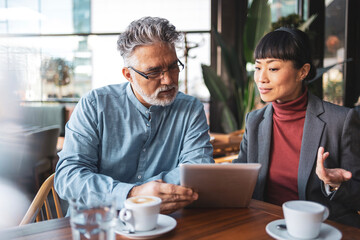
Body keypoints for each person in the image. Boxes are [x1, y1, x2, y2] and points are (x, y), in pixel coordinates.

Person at [55, 17, 213, 214]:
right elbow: (68, 178)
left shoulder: (190, 109)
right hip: (97, 224)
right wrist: (132, 195)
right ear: (128, 75)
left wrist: (149, 194)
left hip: (163, 223)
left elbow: (198, 169)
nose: (169, 79)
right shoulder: (94, 105)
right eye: (154, 72)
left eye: (173, 66)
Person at [233, 27, 360, 227]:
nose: (261, 78)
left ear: (303, 71)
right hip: (264, 225)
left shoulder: (341, 121)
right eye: (258, 67)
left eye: (273, 68)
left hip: (322, 229)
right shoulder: (254, 121)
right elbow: (240, 173)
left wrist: (334, 185)